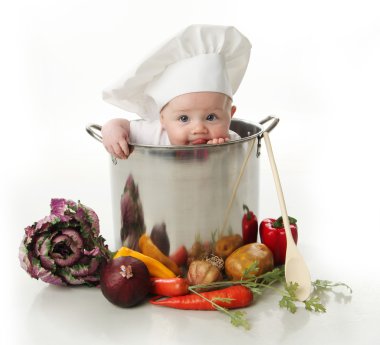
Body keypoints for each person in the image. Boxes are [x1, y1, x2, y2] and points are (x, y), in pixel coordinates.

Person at [101, 24, 252, 159]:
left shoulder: (232, 141)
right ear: (162, 119)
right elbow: (123, 126)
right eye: (184, 118)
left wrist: (224, 150)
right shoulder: (156, 134)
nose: (199, 129)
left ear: (230, 116)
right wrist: (110, 130)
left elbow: (241, 162)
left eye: (211, 117)